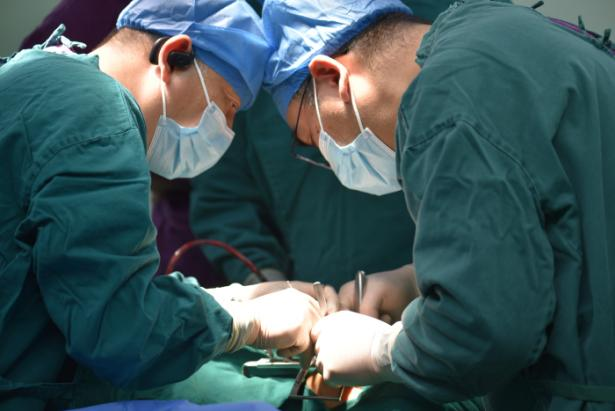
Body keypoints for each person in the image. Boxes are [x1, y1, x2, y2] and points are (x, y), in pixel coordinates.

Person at [262, 0, 615, 409]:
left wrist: (384, 349)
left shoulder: (447, 104)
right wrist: (417, 282)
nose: (329, 158)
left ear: (331, 75)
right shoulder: (501, 35)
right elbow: (568, 226)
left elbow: (487, 332)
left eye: (315, 137)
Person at [0, 1, 322, 410]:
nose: (226, 130)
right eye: (225, 105)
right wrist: (247, 322)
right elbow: (118, 332)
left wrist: (230, 299)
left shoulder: (36, 75)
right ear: (172, 57)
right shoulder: (98, 115)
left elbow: (81, 291)